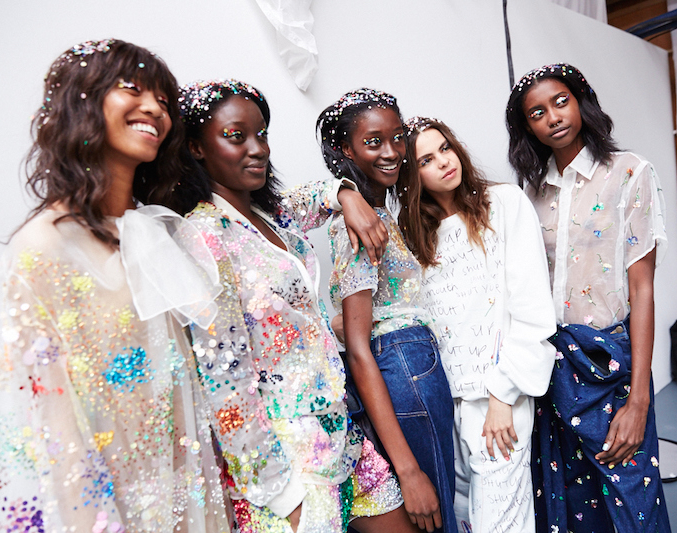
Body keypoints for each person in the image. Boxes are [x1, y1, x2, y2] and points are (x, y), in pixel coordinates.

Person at [0, 39, 234, 533]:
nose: (155, 109)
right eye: (132, 89)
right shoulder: (42, 248)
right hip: (111, 510)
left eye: (163, 101)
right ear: (80, 101)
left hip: (192, 496)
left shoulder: (157, 234)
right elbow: (53, 430)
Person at [174, 79, 418, 533]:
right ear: (196, 148)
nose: (258, 148)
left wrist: (346, 195)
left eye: (261, 134)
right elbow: (224, 383)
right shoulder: (204, 236)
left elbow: (314, 198)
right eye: (236, 136)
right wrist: (280, 493)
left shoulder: (268, 214)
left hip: (339, 430)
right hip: (287, 456)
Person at [505, 63, 670, 533]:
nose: (553, 117)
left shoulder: (630, 172)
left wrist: (639, 400)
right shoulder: (530, 191)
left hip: (608, 360)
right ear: (527, 127)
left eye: (561, 102)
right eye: (537, 112)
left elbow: (642, 288)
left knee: (632, 496)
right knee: (568, 499)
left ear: (581, 101)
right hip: (550, 363)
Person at [396, 116, 556, 533]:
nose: (443, 162)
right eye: (426, 160)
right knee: (468, 521)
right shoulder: (413, 236)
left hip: (499, 399)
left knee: (501, 525)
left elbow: (532, 308)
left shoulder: (504, 204)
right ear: (412, 177)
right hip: (445, 404)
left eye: (445, 148)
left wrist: (503, 396)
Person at [320, 89, 457, 533]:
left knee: (440, 512)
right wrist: (408, 472)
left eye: (398, 138)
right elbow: (361, 350)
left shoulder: (378, 214)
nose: (392, 151)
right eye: (373, 142)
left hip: (411, 366)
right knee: (433, 516)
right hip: (403, 368)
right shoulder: (358, 226)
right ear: (345, 150)